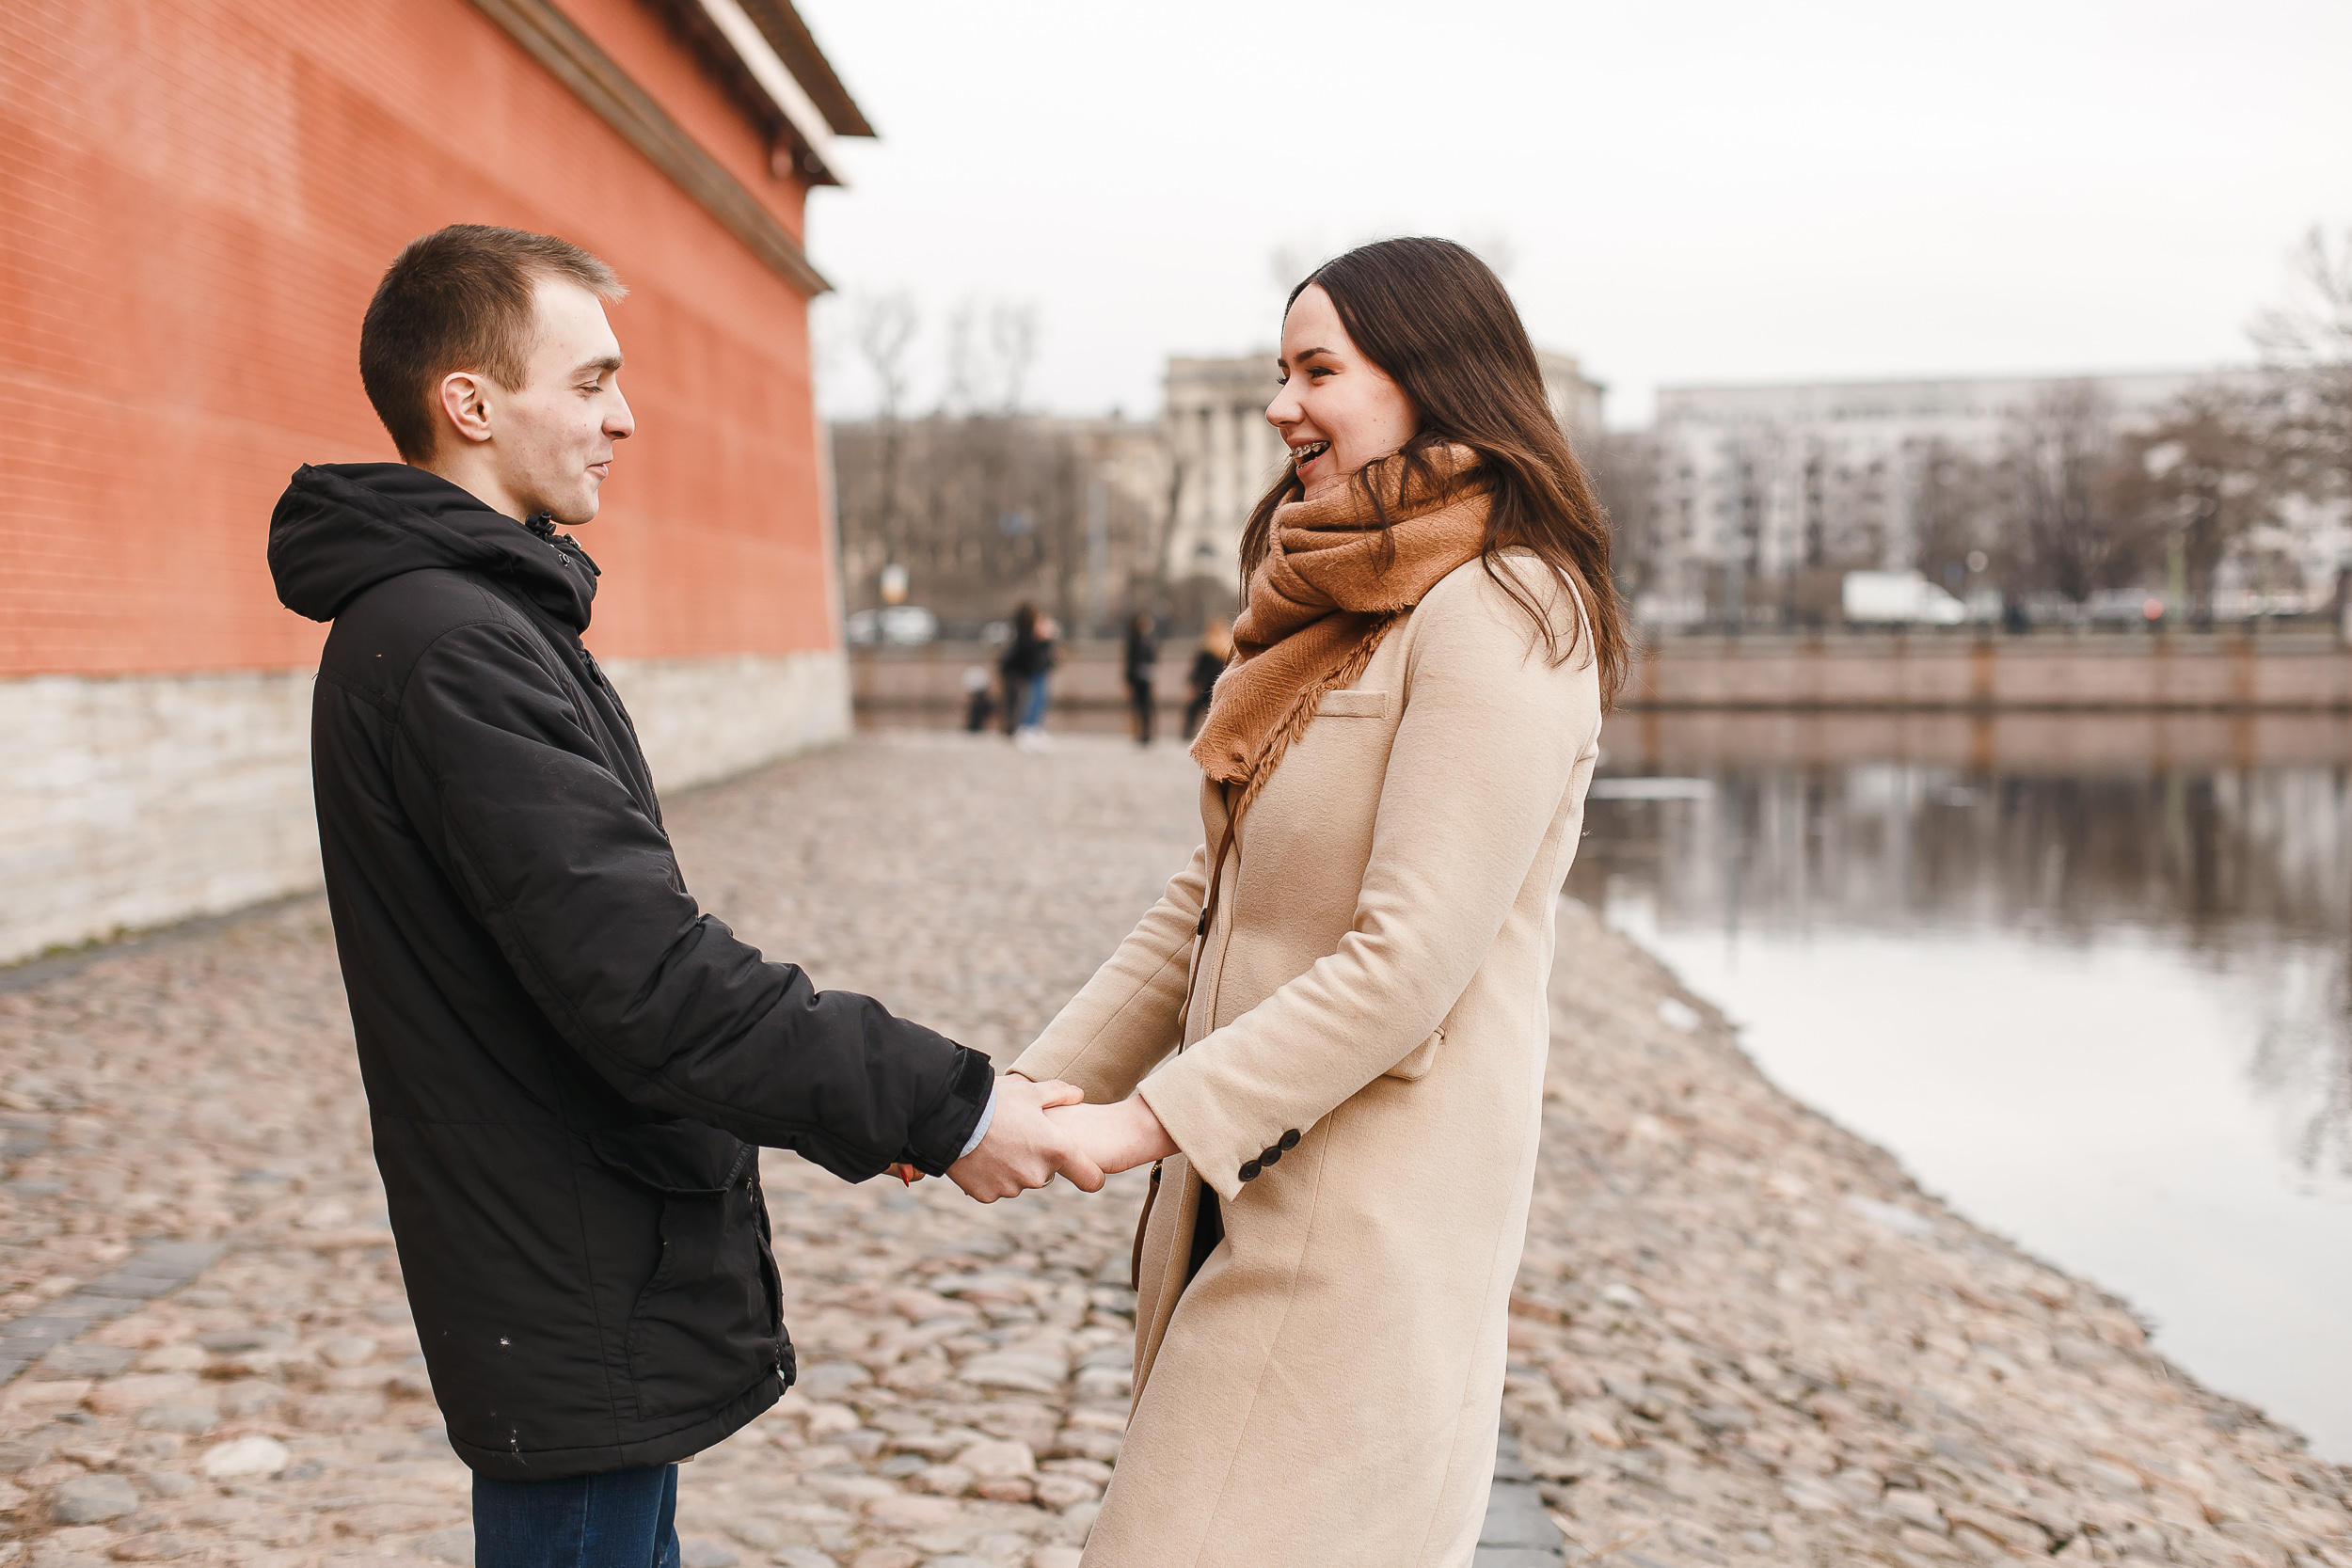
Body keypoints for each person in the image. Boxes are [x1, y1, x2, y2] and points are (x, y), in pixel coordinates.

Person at [265, 225, 1093, 1568]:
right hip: (565, 1249)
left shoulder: (477, 617)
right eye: (590, 381)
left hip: (576, 1239)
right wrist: (946, 1104)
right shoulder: (452, 641)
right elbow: (650, 982)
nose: (625, 417)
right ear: (469, 402)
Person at [1008, 237, 1630, 1564]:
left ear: (1430, 378)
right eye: (1280, 371)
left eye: (1316, 370)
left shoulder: (1505, 605)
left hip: (1366, 1222)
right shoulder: (1342, 603)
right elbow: (1206, 901)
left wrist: (1141, 1122)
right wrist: (1030, 1089)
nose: (1280, 405)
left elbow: (1409, 962)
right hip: (1240, 1195)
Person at [998, 601, 1057, 747]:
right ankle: (1025, 728)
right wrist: (1042, 638)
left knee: (1039, 699)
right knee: (1031, 700)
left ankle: (1032, 728)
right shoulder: (1026, 633)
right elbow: (1029, 652)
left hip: (1034, 670)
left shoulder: (1026, 632)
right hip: (1029, 671)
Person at [1181, 617, 1232, 740]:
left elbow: (1198, 671)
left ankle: (1187, 735)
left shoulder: (1206, 649)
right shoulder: (1228, 649)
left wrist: (1192, 684)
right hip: (1221, 687)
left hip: (1206, 687)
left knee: (1193, 712)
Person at [1122, 611, 1159, 746]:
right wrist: (1128, 681)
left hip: (1147, 678)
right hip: (1137, 679)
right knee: (1138, 706)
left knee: (1147, 707)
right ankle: (1138, 733)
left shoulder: (1149, 640)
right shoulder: (1135, 641)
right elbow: (1129, 662)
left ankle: (1147, 733)